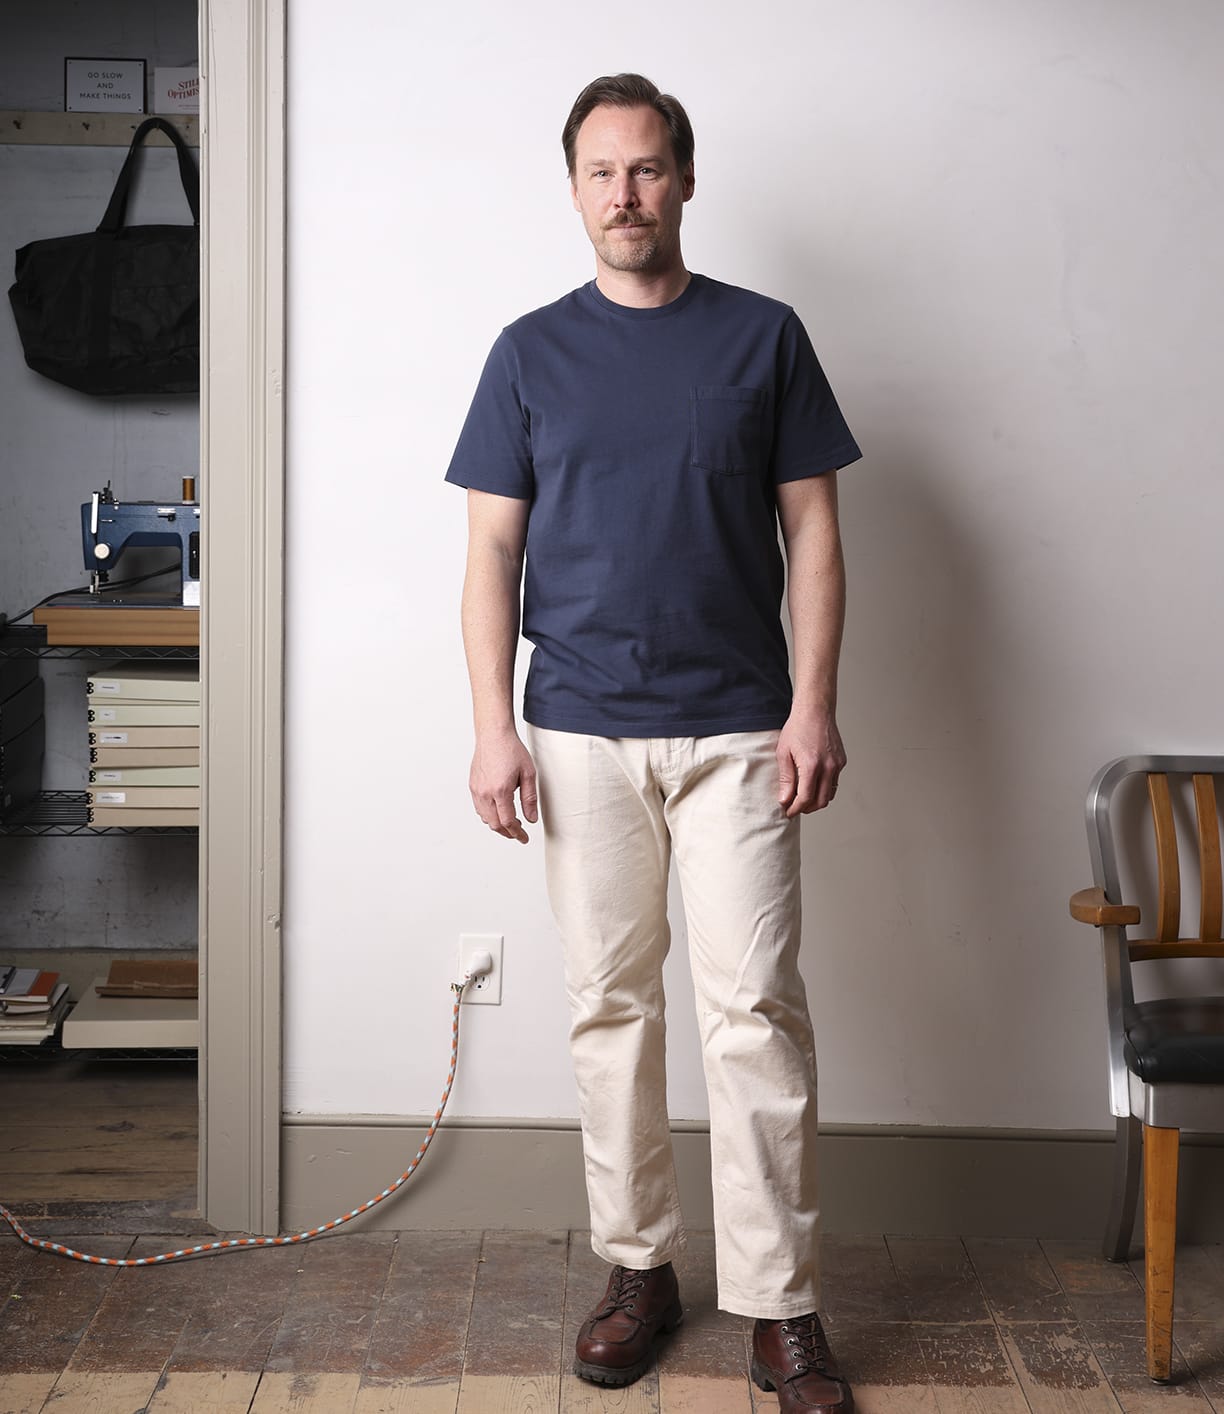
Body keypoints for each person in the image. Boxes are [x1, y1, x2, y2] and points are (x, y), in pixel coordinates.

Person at [445, 73, 861, 1413]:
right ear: (574, 191)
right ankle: (639, 1267)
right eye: (601, 172)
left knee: (755, 1020)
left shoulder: (764, 338)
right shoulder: (527, 352)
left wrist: (813, 703)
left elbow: (814, 531)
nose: (624, 193)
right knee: (609, 1013)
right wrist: (490, 729)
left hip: (742, 728)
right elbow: (490, 554)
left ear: (685, 181)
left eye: (646, 168)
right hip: (576, 735)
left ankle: (781, 1306)